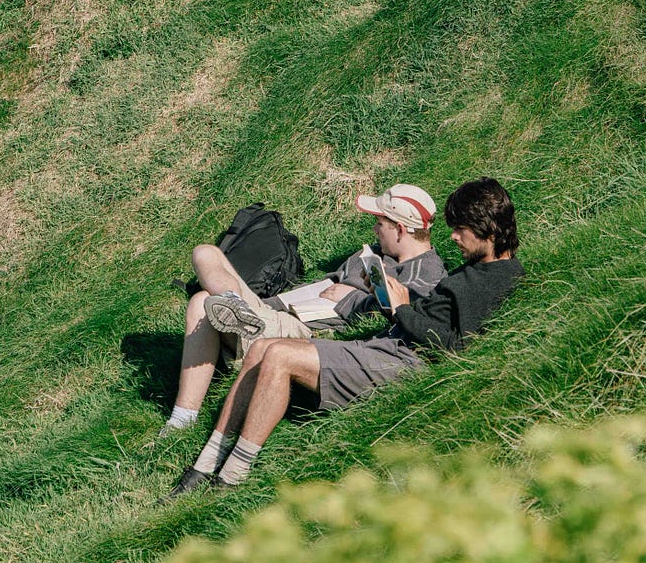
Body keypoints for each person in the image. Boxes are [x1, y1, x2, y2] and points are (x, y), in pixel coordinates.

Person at [173, 176, 522, 492]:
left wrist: (402, 309)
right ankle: (205, 463)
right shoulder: (478, 269)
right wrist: (393, 306)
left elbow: (451, 345)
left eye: (461, 229)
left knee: (279, 354)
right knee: (263, 347)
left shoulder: (493, 278)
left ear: (487, 228)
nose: (454, 236)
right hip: (387, 345)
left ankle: (231, 476)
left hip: (402, 361)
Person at [159, 184, 445, 440]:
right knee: (204, 252)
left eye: (379, 223)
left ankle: (182, 419)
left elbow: (395, 317)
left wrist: (351, 297)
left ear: (400, 229)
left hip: (302, 328)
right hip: (278, 308)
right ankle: (234, 304)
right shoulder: (375, 251)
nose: (374, 229)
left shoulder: (426, 275)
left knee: (201, 302)